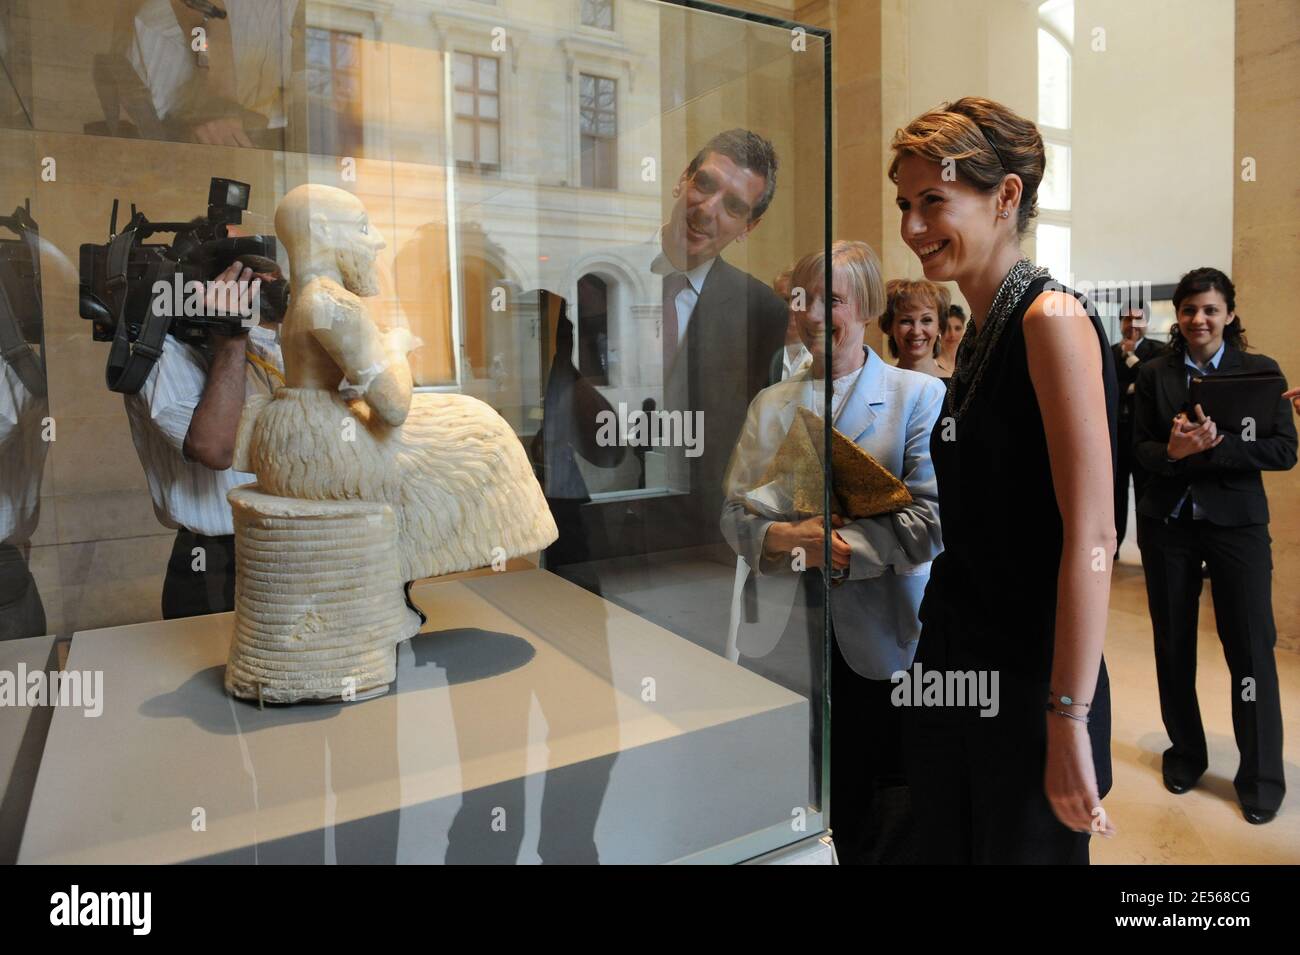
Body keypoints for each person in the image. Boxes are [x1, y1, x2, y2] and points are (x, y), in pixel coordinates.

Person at [890, 96, 1118, 863]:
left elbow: (1093, 534)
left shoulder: (1048, 320)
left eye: (933, 202)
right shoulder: (985, 332)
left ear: (1006, 197)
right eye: (904, 205)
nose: (912, 228)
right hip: (958, 656)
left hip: (1028, 676)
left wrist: (1067, 714)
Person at [721, 240, 944, 863]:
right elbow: (733, 514)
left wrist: (840, 549)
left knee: (874, 796)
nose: (814, 314)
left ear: (868, 304)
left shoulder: (917, 398)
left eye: (833, 300)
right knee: (798, 784)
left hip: (877, 637)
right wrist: (788, 539)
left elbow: (932, 520)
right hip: (784, 635)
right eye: (802, 299)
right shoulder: (771, 404)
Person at [1132, 266, 1296, 825]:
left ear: (1229, 313)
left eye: (1210, 309)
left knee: (1250, 650)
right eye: (1188, 310)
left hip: (1237, 527)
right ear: (1176, 317)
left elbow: (1281, 451)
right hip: (1168, 525)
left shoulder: (1261, 371)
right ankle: (1186, 754)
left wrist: (1217, 447)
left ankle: (1260, 778)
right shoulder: (1155, 374)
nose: (1199, 319)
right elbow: (1137, 450)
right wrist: (1172, 454)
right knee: (1172, 644)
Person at [124, 257, 287, 619]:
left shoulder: (260, 341)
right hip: (215, 563)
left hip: (284, 544)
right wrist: (229, 335)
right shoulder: (161, 353)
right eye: (247, 265)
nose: (266, 275)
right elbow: (215, 447)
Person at [1112, 300, 1168, 553]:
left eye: (1137, 319)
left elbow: (1157, 384)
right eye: (1126, 319)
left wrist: (1133, 359)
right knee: (1114, 494)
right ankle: (1112, 548)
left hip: (1144, 436)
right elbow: (1106, 389)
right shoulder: (1109, 351)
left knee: (1146, 494)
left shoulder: (1160, 351)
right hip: (1116, 435)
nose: (1131, 325)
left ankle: (1149, 549)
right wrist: (1132, 388)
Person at [880, 278, 952, 379]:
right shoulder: (876, 386)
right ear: (890, 326)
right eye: (906, 321)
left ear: (939, 326)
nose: (916, 331)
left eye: (926, 320)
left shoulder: (958, 389)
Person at [767, 266, 812, 385]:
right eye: (785, 300)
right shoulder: (760, 351)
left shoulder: (824, 355)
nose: (791, 308)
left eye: (798, 300)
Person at [938, 303, 966, 375]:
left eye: (957, 328)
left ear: (963, 329)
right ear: (939, 329)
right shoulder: (930, 363)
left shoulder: (970, 363)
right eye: (947, 328)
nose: (952, 334)